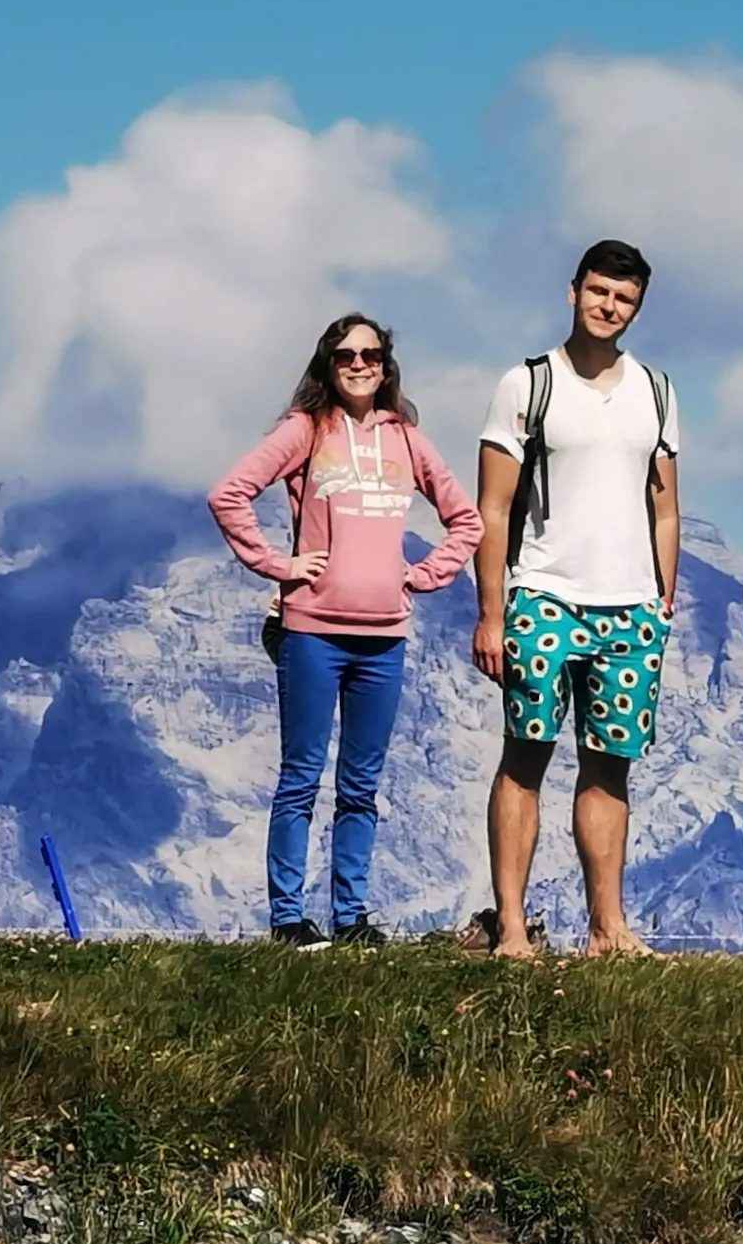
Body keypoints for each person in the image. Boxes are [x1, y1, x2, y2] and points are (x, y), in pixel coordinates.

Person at [210, 314, 482, 949]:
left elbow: (465, 519)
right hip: (311, 633)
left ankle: (351, 918)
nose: (359, 364)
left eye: (370, 354)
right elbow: (229, 493)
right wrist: (279, 566)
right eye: (344, 356)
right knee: (301, 776)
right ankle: (288, 920)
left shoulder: (407, 439)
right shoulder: (304, 430)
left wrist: (422, 574)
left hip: (385, 637)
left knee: (362, 785)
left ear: (386, 364)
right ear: (326, 366)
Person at [469, 241, 681, 959]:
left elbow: (665, 506)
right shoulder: (527, 384)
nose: (607, 306)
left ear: (637, 307)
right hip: (543, 593)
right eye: (597, 291)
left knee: (609, 762)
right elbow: (492, 509)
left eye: (622, 298)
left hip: (629, 606)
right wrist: (492, 611)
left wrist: (662, 599)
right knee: (525, 751)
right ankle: (510, 926)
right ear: (572, 291)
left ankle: (607, 929)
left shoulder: (655, 389)